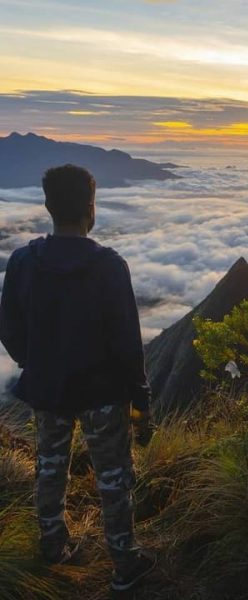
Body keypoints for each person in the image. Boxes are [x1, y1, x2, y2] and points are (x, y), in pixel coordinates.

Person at [0, 164, 156, 592]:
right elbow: (127, 341)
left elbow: (8, 327)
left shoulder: (22, 261)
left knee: (50, 466)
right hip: (103, 392)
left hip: (47, 389)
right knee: (113, 476)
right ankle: (125, 564)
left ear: (48, 205)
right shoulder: (109, 266)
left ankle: (52, 546)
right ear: (91, 207)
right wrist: (140, 397)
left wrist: (36, 362)